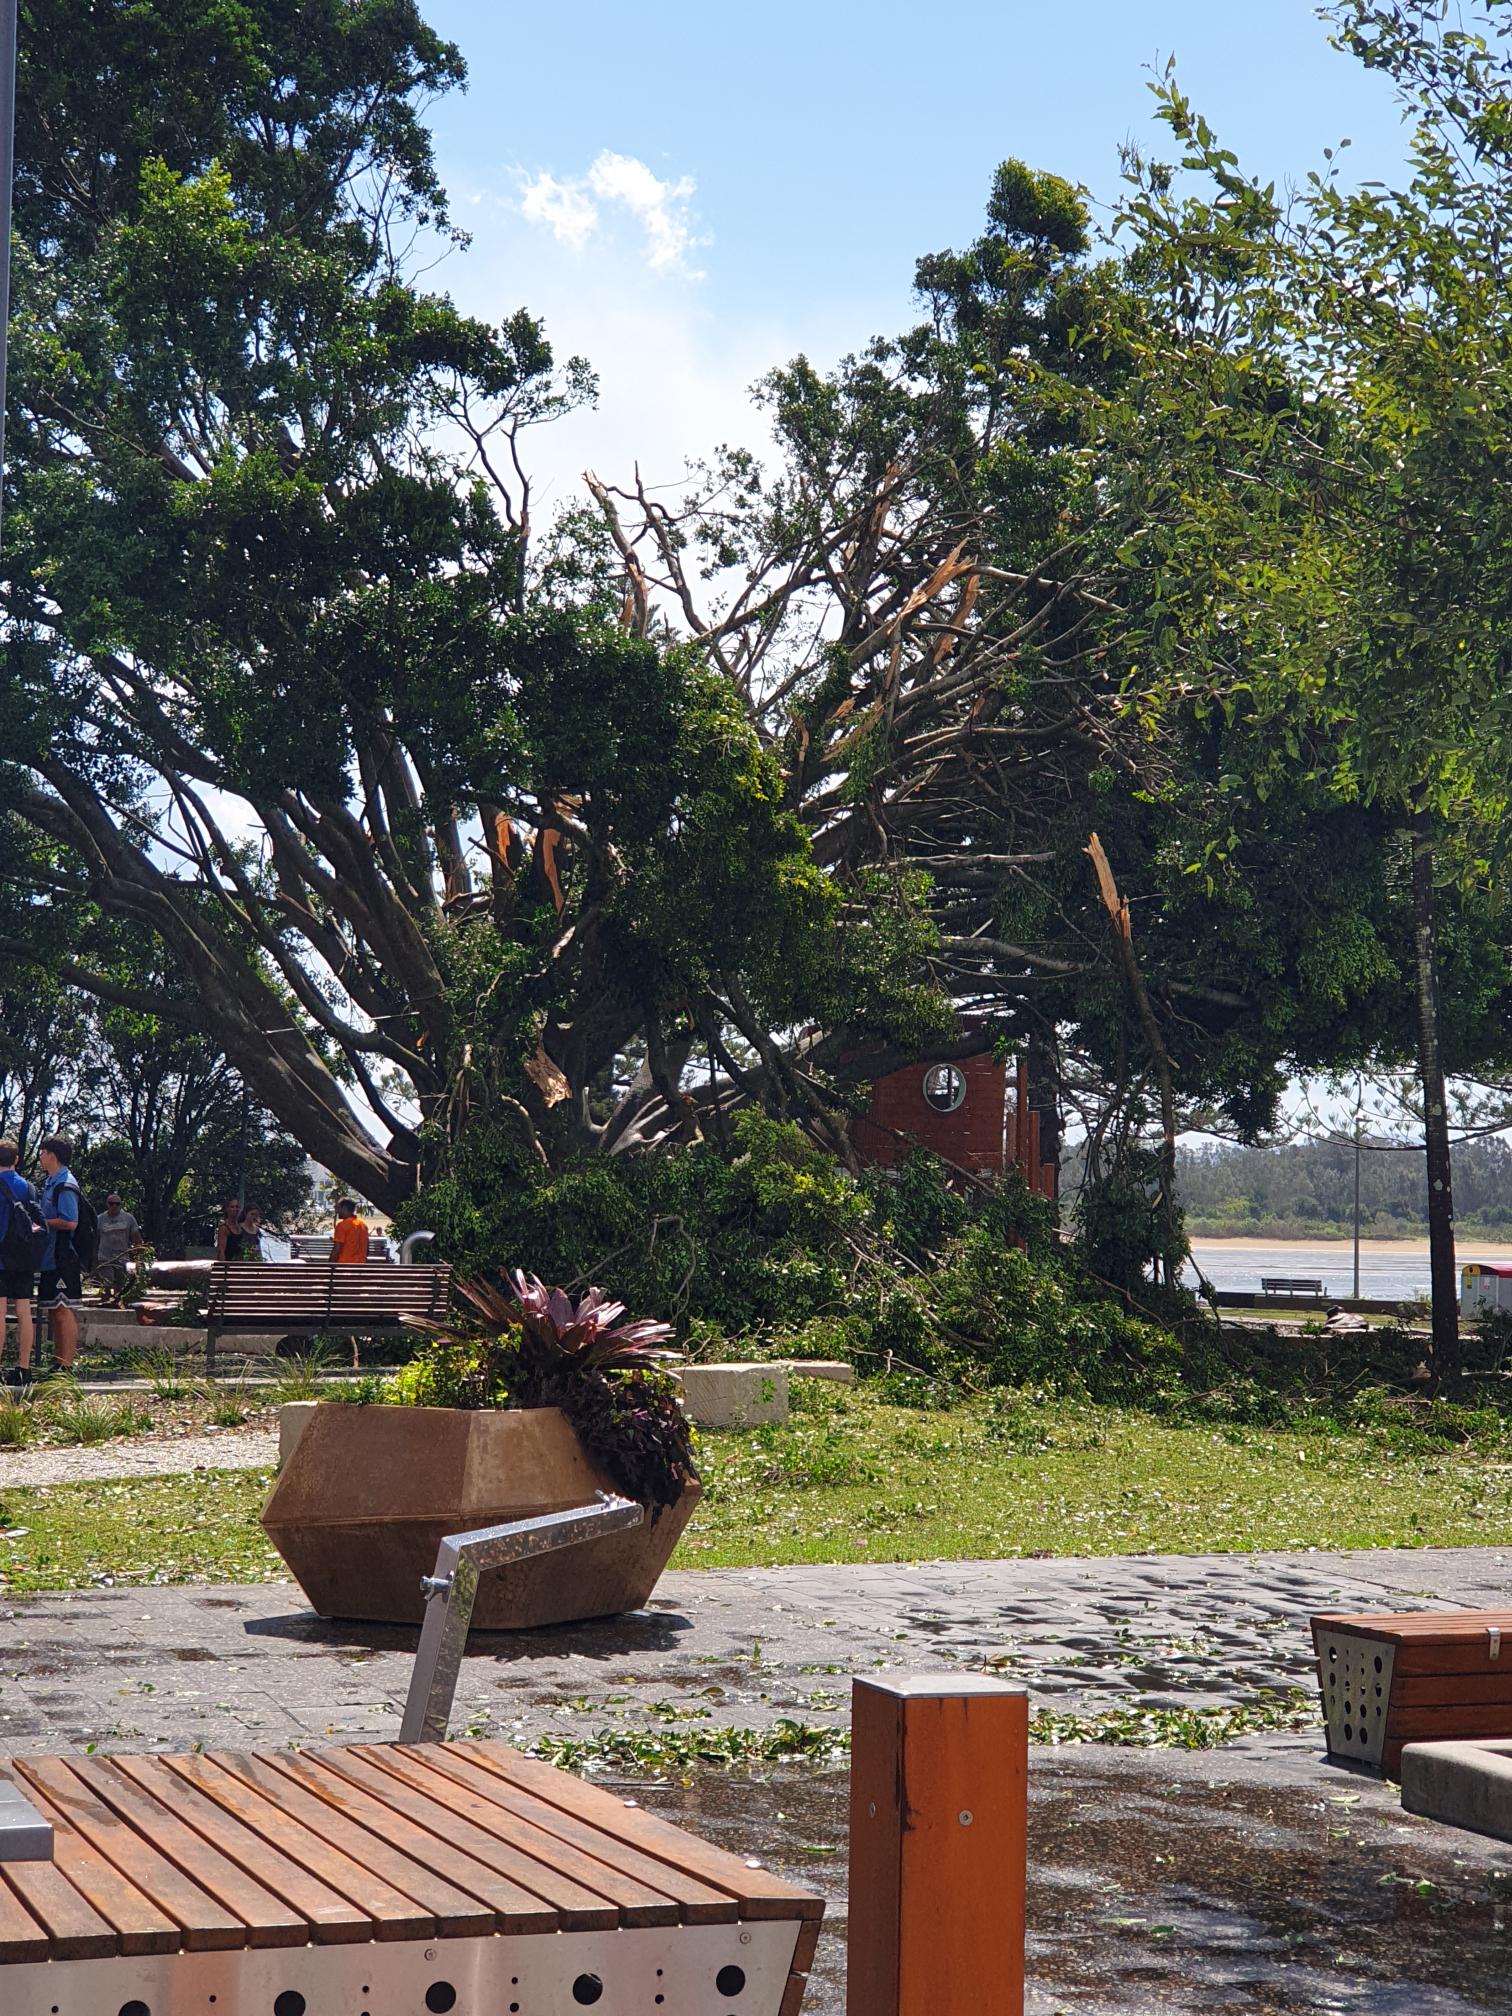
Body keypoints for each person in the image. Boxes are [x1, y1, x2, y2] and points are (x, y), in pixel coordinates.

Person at [36, 1135, 81, 1372]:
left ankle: (67, 1365)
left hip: (63, 1256)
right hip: (50, 1257)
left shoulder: (65, 1184)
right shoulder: (51, 1182)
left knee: (63, 1310)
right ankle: (58, 1361)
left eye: (42, 1153)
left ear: (52, 1155)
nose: (40, 1158)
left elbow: (70, 1221)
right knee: (55, 1309)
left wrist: (41, 1222)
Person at [0, 1140, 37, 1380]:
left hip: (0, 1259)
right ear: (16, 1160)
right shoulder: (28, 1187)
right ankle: (24, 1368)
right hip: (23, 1257)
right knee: (24, 1310)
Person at [95, 1194, 144, 1300]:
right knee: (108, 1280)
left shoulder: (128, 1218)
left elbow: (135, 1235)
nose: (114, 1206)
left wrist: (138, 1249)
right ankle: (106, 1299)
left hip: (122, 1256)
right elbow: (95, 1238)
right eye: (111, 1204)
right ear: (107, 1204)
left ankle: (117, 1300)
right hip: (105, 1256)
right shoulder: (100, 1219)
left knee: (120, 1282)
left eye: (117, 1204)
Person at [331, 1198, 369, 1265]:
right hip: (361, 1267)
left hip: (344, 1266)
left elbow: (337, 1249)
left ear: (344, 1208)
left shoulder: (342, 1226)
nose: (337, 1211)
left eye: (338, 1208)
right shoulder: (363, 1225)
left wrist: (329, 1265)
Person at [214, 1198, 247, 1263]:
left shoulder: (242, 1227)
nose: (235, 1209)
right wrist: (223, 1267)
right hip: (229, 1265)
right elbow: (221, 1251)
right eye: (232, 1207)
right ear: (227, 1209)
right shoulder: (224, 1228)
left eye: (237, 1207)